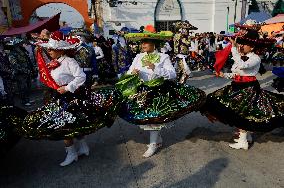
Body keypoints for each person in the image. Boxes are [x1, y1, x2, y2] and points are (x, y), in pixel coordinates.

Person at [19, 31, 122, 166]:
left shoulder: (69, 61)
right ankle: (82, 148)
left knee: (64, 126)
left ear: (60, 50)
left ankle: (73, 153)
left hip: (69, 97)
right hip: (58, 96)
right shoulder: (53, 62)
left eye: (51, 49)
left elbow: (81, 77)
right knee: (72, 125)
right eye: (48, 48)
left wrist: (67, 87)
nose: (49, 51)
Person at [118, 26, 206, 157]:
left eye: (146, 42)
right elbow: (130, 71)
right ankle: (157, 140)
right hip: (142, 91)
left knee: (154, 118)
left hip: (158, 91)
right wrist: (133, 73)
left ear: (154, 43)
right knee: (146, 117)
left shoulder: (163, 57)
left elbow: (172, 75)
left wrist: (156, 68)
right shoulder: (138, 56)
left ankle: (153, 144)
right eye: (142, 42)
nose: (143, 45)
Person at [202, 30, 284, 150]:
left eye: (243, 44)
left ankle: (243, 141)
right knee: (223, 104)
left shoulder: (256, 58)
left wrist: (234, 49)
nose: (241, 46)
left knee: (242, 113)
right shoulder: (240, 56)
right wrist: (223, 75)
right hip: (237, 86)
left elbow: (242, 66)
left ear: (252, 47)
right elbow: (237, 74)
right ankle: (245, 137)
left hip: (248, 89)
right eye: (240, 44)